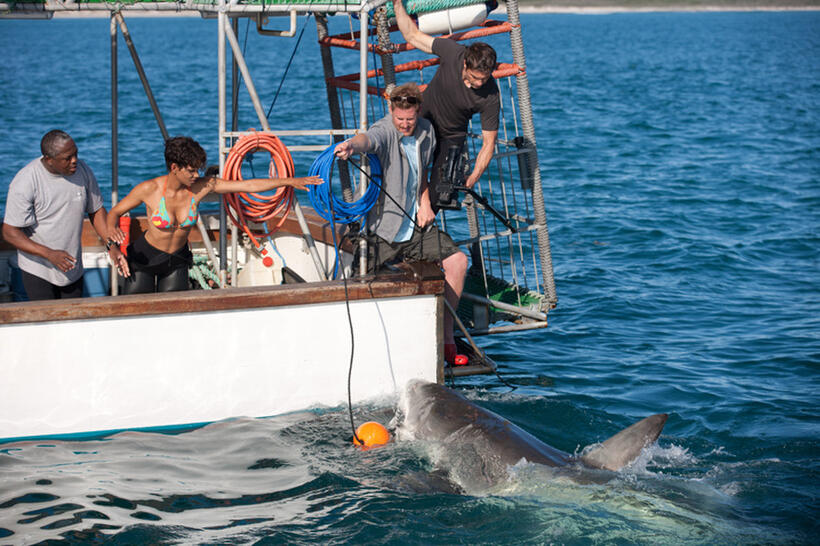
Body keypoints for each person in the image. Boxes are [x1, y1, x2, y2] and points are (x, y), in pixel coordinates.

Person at [334, 83, 469, 366]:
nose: (405, 125)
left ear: (418, 112)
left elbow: (421, 174)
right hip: (382, 229)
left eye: (409, 119)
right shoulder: (384, 129)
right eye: (400, 119)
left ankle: (446, 336)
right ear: (391, 112)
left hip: (415, 225)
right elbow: (367, 140)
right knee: (362, 280)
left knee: (458, 261)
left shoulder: (426, 131)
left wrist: (426, 203)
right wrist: (349, 145)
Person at [107, 136, 320, 294]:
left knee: (174, 312)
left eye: (198, 169)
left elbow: (247, 185)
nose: (196, 175)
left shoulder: (202, 186)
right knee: (137, 309)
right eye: (191, 170)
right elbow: (114, 212)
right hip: (145, 258)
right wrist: (113, 245)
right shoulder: (149, 189)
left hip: (177, 260)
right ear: (174, 168)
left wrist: (290, 181)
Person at [2, 130, 127, 301]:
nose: (74, 160)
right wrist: (49, 254)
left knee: (71, 322)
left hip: (73, 267)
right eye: (67, 158)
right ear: (49, 160)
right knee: (46, 322)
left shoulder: (83, 171)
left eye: (75, 154)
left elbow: (96, 210)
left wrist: (111, 246)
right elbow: (10, 232)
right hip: (38, 269)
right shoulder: (26, 181)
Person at [393, 0, 500, 199]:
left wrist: (473, 178)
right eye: (475, 78)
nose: (479, 83)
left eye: (484, 79)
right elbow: (412, 35)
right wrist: (398, 4)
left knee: (440, 196)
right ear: (465, 64)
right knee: (403, 178)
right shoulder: (453, 53)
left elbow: (488, 143)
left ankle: (424, 227)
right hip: (423, 121)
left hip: (451, 138)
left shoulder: (491, 95)